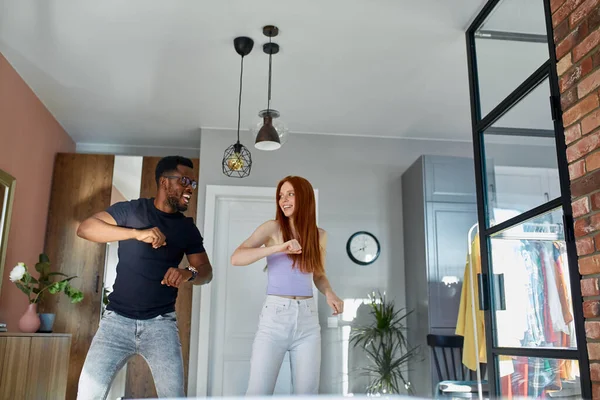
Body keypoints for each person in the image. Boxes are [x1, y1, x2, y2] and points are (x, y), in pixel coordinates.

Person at [76, 156, 213, 400]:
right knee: (87, 395)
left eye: (193, 182)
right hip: (115, 323)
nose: (190, 187)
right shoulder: (131, 210)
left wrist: (187, 273)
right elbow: (85, 228)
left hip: (161, 326)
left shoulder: (186, 228)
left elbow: (206, 272)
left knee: (174, 396)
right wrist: (137, 234)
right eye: (184, 181)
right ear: (164, 182)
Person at [231, 175, 344, 395]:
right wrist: (278, 248)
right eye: (281, 195)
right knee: (258, 392)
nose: (284, 200)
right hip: (275, 319)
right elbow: (236, 258)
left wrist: (330, 293)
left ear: (305, 197)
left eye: (290, 194)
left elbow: (318, 274)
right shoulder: (272, 228)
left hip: (308, 321)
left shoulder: (319, 235)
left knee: (306, 394)